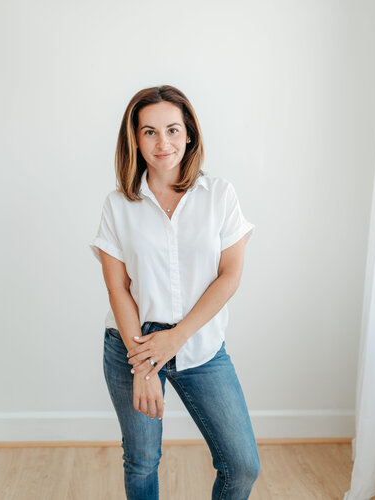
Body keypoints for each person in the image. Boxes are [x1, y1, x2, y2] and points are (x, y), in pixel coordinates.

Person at [90, 84, 260, 499]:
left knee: (241, 466)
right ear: (134, 139)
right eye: (148, 132)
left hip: (199, 342)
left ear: (189, 134)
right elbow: (118, 288)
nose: (162, 142)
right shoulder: (118, 205)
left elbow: (230, 276)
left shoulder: (220, 195)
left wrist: (176, 338)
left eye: (171, 129)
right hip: (132, 344)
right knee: (142, 460)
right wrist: (144, 366)